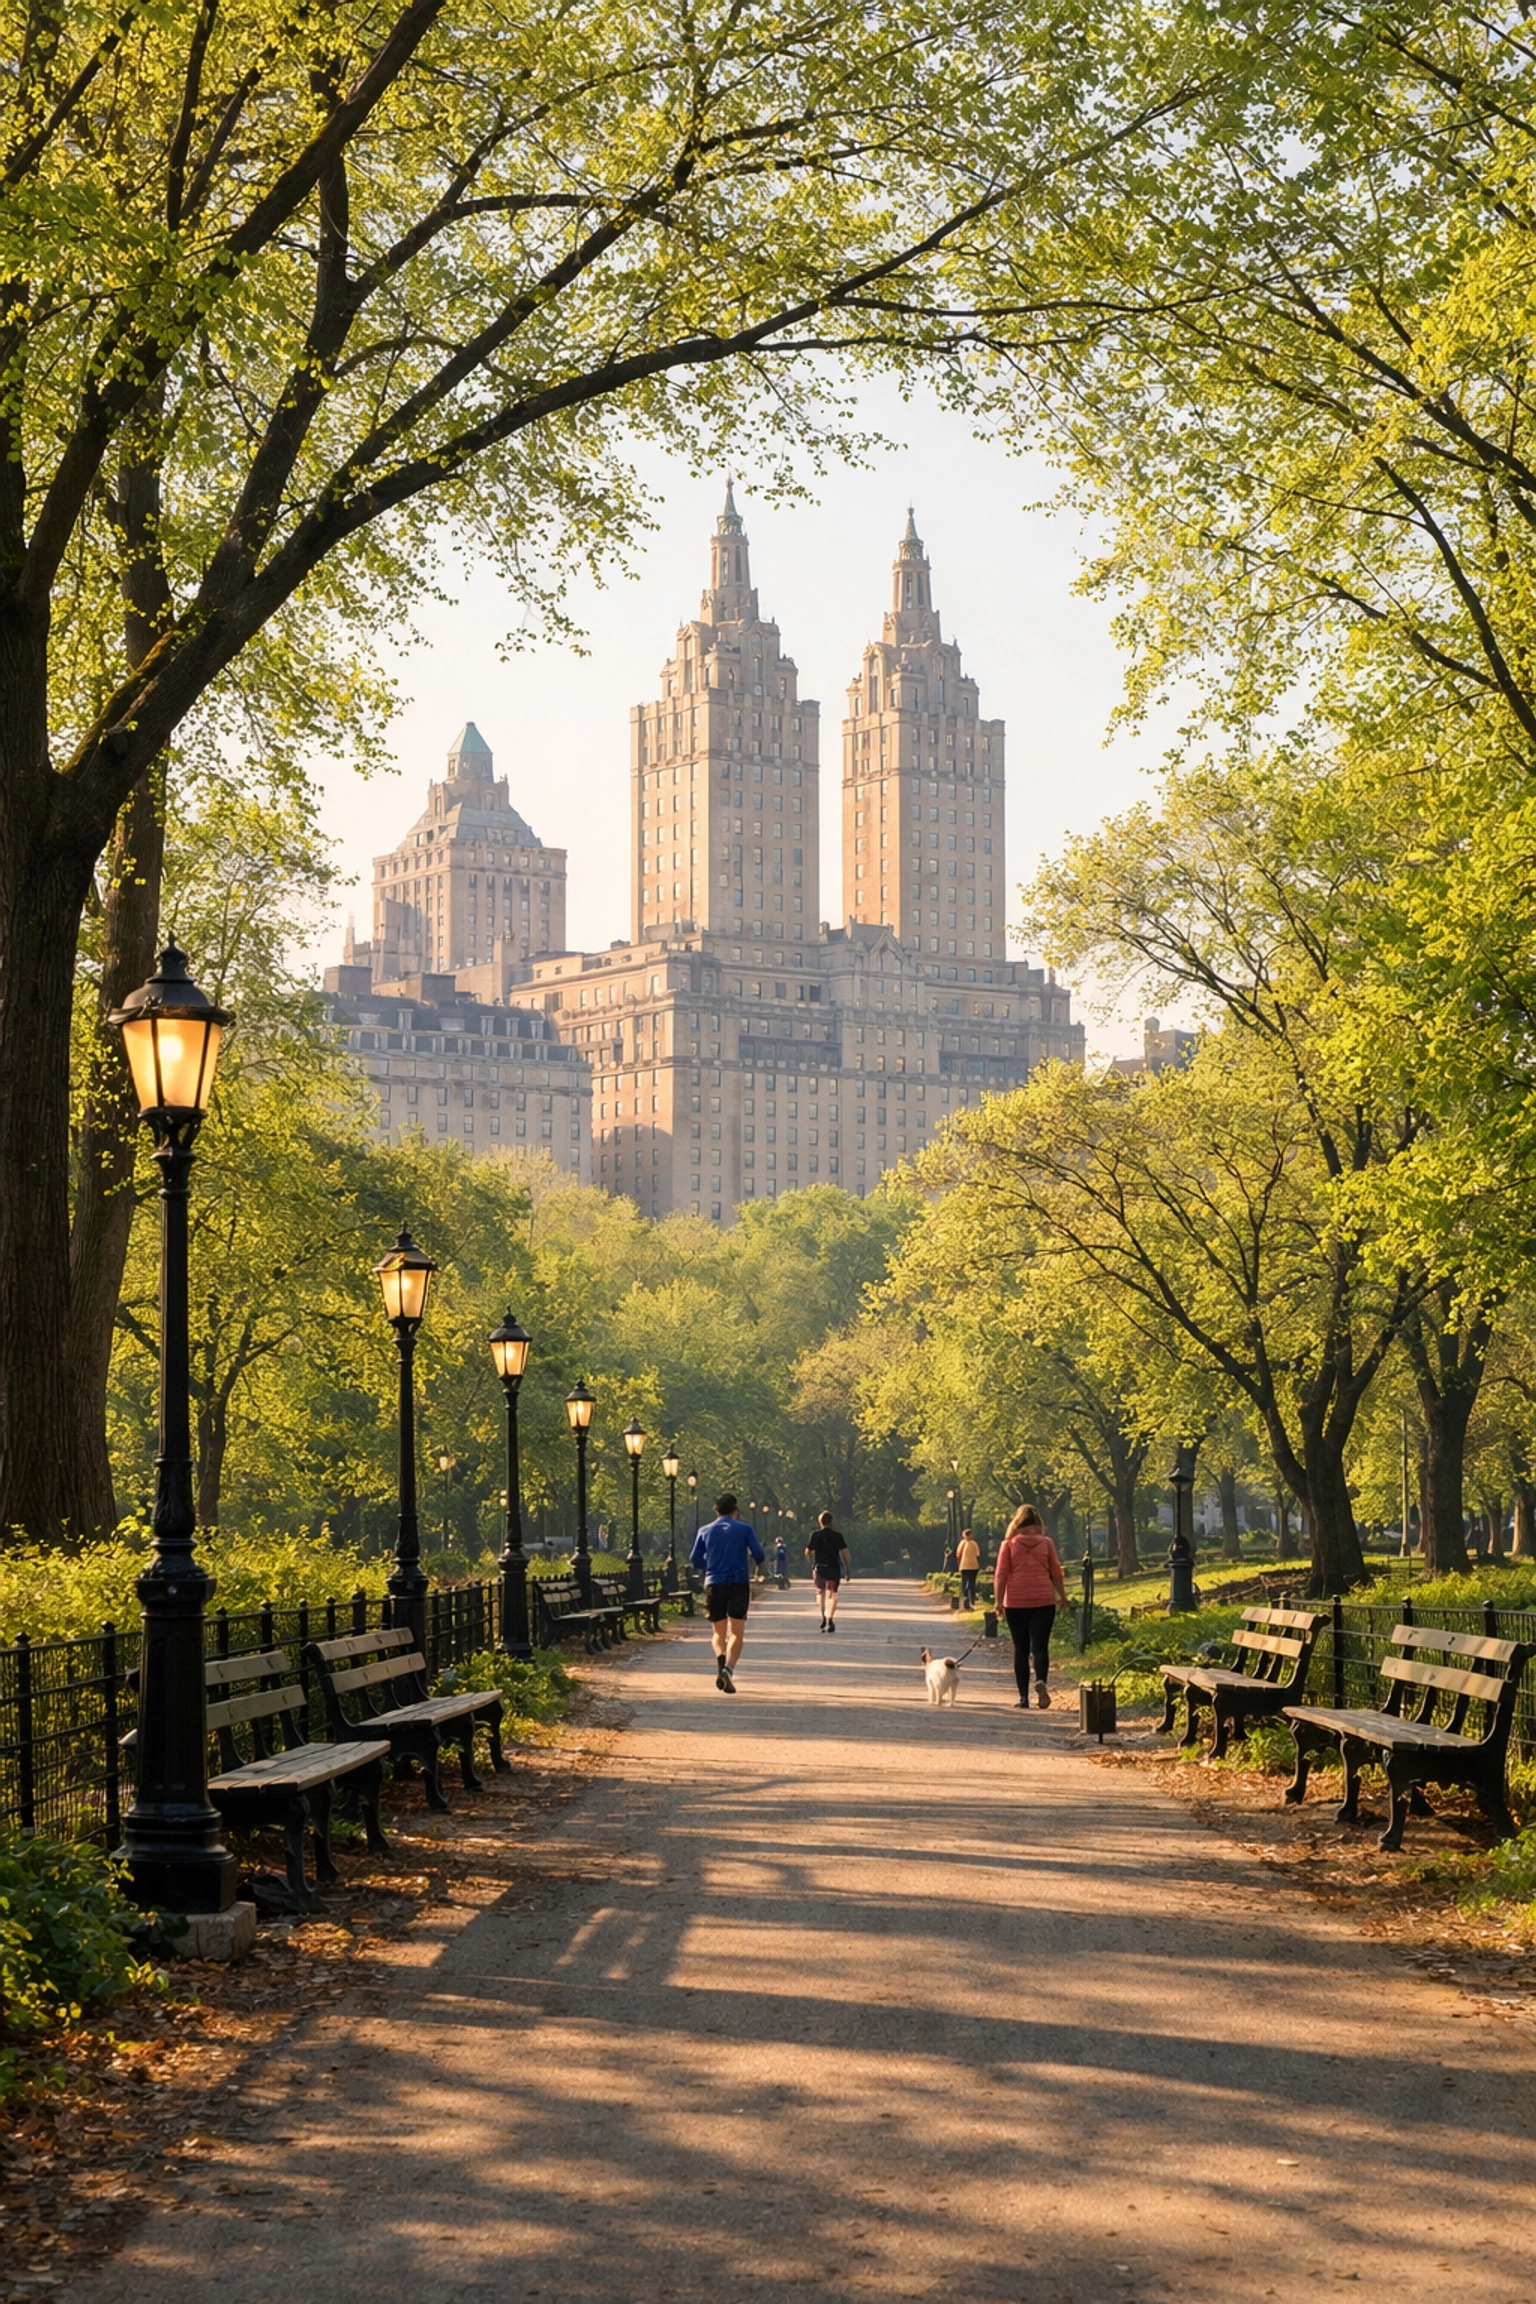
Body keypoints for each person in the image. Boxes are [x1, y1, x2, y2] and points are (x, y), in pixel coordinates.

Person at [993, 1503, 1067, 1709]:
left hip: (1015, 1602)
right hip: (1044, 1600)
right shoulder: (1047, 1543)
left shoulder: (1008, 1545)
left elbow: (1001, 1574)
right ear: (1038, 1525)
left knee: (1021, 1650)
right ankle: (1041, 1681)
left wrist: (998, 1602)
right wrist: (1062, 1596)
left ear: (1016, 1524)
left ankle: (1024, 1698)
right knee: (1041, 1647)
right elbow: (1056, 1572)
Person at [689, 1492, 764, 1693]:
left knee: (718, 1633)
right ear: (735, 1510)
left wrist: (711, 1565)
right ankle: (729, 1670)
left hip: (714, 1583)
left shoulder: (704, 1531)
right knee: (737, 1633)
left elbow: (694, 1559)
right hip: (738, 1582)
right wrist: (760, 1569)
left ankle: (721, 1662)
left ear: (716, 1510)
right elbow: (758, 1554)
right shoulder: (744, 1529)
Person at [805, 1511, 850, 1631]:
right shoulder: (837, 1536)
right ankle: (830, 1618)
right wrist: (847, 1569)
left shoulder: (815, 1535)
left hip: (820, 1568)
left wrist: (811, 1562)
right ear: (832, 1522)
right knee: (832, 1594)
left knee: (821, 1593)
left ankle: (823, 1616)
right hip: (834, 1568)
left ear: (820, 1522)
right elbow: (845, 1554)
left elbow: (808, 1551)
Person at [956, 1526, 981, 1611]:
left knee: (964, 1582)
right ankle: (972, 1599)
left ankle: (965, 1598)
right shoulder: (974, 1543)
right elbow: (978, 1555)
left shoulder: (961, 1544)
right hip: (973, 1566)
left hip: (963, 1566)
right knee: (972, 1583)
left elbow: (958, 1555)